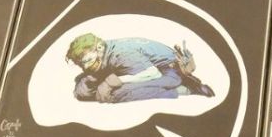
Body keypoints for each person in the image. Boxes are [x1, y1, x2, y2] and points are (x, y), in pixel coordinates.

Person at [66, 33, 214, 103]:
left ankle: (188, 88)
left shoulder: (121, 54)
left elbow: (152, 73)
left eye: (87, 60)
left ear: (99, 47)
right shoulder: (103, 50)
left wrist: (113, 82)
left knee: (119, 93)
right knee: (82, 89)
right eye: (81, 64)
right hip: (139, 68)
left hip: (168, 71)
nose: (85, 66)